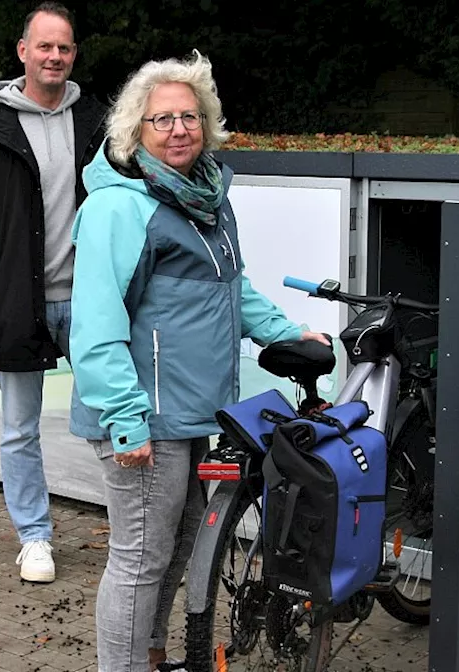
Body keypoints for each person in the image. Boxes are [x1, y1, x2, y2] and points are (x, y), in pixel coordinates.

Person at [67, 50, 330, 672]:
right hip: (142, 416)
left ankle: (151, 656)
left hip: (189, 411)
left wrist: (288, 332)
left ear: (206, 123)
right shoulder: (120, 206)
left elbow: (229, 287)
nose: (178, 129)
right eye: (162, 120)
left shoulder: (208, 196)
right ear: (136, 130)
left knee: (175, 547)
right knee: (138, 558)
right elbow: (97, 322)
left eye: (189, 117)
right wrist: (126, 419)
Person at [0, 1, 108, 584]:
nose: (55, 57)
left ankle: (133, 531)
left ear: (73, 55)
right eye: (44, 46)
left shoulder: (99, 123)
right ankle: (34, 537)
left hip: (91, 302)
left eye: (64, 47)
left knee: (115, 421)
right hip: (16, 303)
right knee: (19, 429)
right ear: (22, 52)